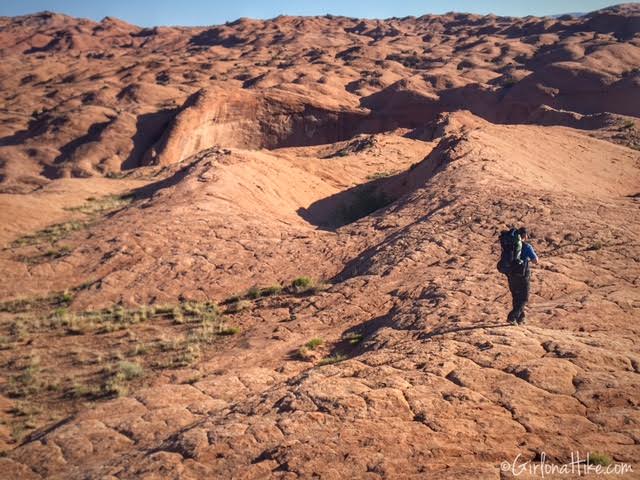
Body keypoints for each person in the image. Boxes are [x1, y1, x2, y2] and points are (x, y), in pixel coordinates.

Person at [507, 227, 538, 324]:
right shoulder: (527, 246)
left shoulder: (510, 245)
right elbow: (535, 261)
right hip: (523, 275)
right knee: (524, 298)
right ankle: (512, 317)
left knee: (516, 297)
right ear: (525, 236)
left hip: (511, 275)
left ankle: (520, 318)